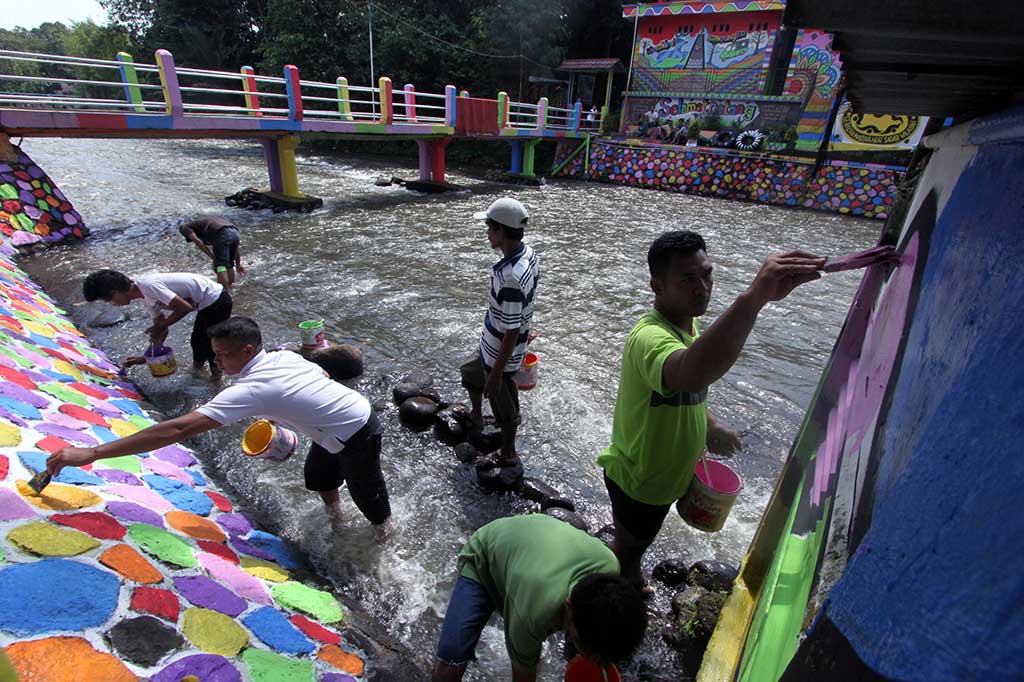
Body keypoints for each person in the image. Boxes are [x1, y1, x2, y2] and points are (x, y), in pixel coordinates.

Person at [597, 231, 825, 593]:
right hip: (640, 481)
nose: (702, 287)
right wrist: (753, 300)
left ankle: (627, 573)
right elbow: (690, 373)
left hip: (670, 474)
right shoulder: (649, 337)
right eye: (688, 279)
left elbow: (686, 389)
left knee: (641, 539)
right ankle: (621, 587)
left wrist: (711, 424)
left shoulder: (688, 325)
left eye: (707, 274)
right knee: (630, 548)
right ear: (657, 286)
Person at [46, 317, 394, 539]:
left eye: (223, 355)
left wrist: (92, 452)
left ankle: (384, 532)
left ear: (247, 350)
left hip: (356, 429)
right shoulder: (282, 356)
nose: (217, 362)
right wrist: (286, 412)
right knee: (318, 475)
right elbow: (323, 376)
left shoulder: (252, 389)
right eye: (215, 354)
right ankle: (337, 517)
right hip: (333, 422)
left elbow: (178, 429)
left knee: (367, 490)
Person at [431, 514, 647, 682]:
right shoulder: (533, 614)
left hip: (535, 540)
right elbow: (523, 677)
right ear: (568, 606)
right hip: (486, 554)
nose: (592, 660)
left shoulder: (610, 565)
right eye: (586, 649)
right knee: (450, 665)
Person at [458, 198, 540, 470]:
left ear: (501, 232)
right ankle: (477, 415)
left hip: (499, 355)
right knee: (469, 371)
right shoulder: (528, 255)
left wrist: (495, 375)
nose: (487, 233)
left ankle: (508, 452)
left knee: (504, 404)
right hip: (493, 344)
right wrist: (525, 330)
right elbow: (522, 309)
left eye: (489, 228)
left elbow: (511, 328)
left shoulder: (511, 278)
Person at [83, 269, 232, 380]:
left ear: (115, 292)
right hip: (204, 304)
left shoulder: (148, 286)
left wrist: (160, 326)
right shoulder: (144, 298)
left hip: (217, 299)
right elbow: (161, 329)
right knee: (197, 341)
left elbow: (184, 307)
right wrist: (147, 356)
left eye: (109, 300)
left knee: (209, 345)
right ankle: (198, 373)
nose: (113, 305)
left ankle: (216, 381)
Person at [179, 216, 244, 289]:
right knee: (229, 264)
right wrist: (238, 264)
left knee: (220, 266)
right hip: (235, 232)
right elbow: (236, 247)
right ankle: (231, 288)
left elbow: (197, 241)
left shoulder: (185, 228)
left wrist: (212, 257)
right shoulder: (205, 223)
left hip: (220, 233)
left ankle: (224, 292)